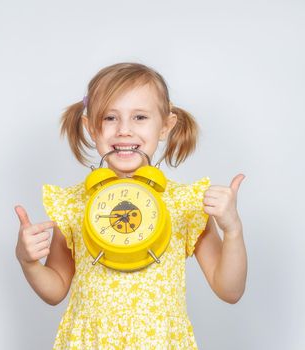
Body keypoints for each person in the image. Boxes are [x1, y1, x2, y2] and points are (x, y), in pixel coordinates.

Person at [14, 62, 247, 349]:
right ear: (90, 128)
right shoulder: (75, 205)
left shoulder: (184, 203)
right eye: (110, 118)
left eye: (139, 117)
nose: (124, 130)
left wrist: (233, 230)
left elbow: (230, 290)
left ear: (165, 126)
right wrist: (28, 262)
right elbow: (55, 290)